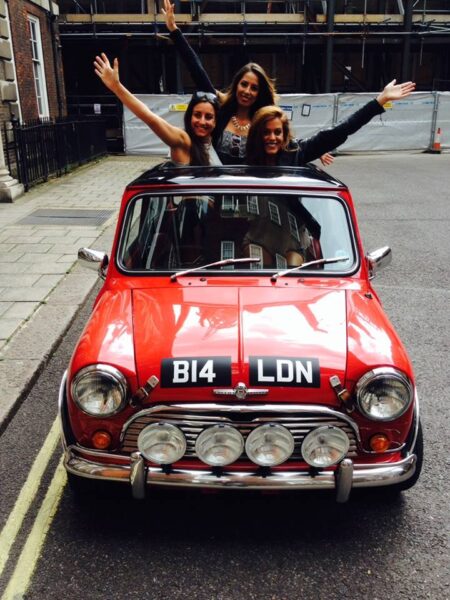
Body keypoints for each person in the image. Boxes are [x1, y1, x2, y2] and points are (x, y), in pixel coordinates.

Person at [161, 0, 334, 167]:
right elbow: (197, 71)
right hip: (217, 185)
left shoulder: (263, 119)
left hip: (250, 188)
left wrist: (314, 150)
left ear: (260, 92)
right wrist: (175, 32)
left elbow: (283, 137)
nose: (247, 91)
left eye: (254, 88)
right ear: (236, 84)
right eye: (244, 84)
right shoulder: (221, 107)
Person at [246, 79, 416, 166]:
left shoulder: (297, 153)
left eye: (277, 132)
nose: (272, 137)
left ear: (284, 135)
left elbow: (343, 129)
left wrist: (380, 100)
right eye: (265, 132)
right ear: (257, 135)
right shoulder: (244, 155)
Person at [94, 53, 220, 166]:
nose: (202, 121)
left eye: (208, 117)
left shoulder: (214, 143)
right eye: (197, 115)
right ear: (189, 116)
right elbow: (150, 118)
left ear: (215, 121)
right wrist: (117, 87)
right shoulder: (183, 140)